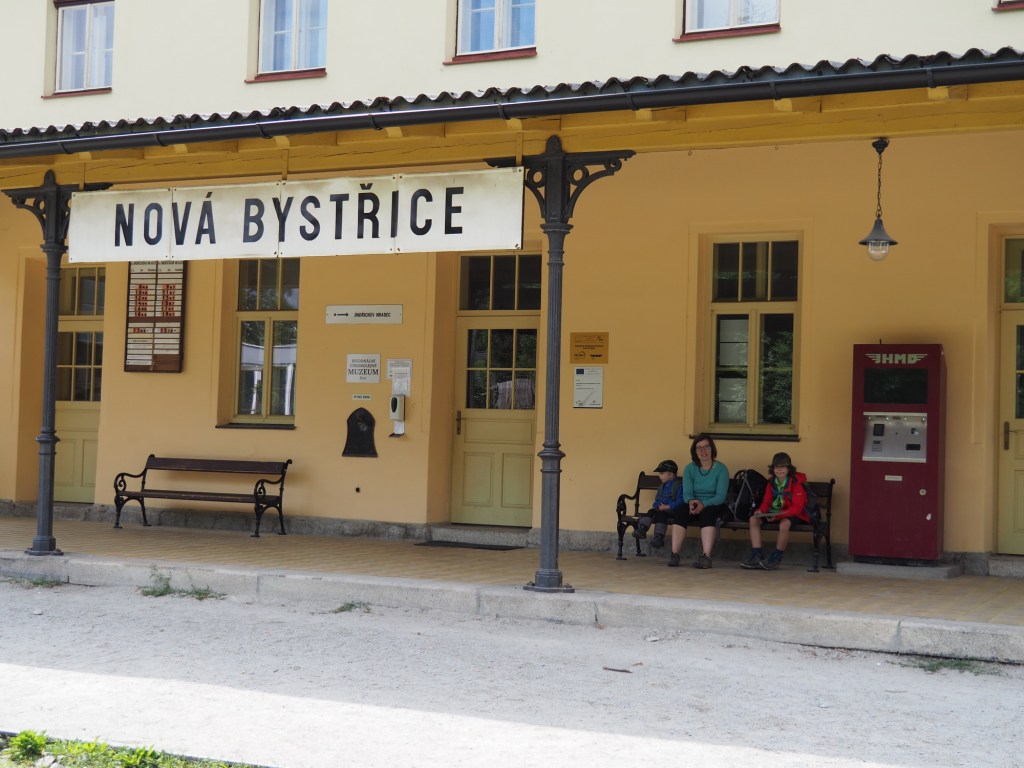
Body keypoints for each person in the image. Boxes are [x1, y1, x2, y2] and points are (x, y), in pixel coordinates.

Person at [740, 451, 809, 570]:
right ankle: (757, 555)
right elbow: (767, 501)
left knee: (784, 524)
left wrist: (777, 516)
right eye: (777, 467)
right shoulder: (771, 481)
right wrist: (761, 511)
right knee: (753, 519)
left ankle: (776, 557)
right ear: (773, 468)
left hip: (794, 513)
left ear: (789, 468)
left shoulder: (796, 482)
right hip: (775, 512)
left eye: (783, 467)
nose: (779, 470)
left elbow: (797, 508)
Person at [669, 434, 729, 569]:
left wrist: (704, 504)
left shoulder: (721, 469)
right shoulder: (690, 468)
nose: (703, 450)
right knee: (681, 511)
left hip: (713, 504)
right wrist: (691, 502)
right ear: (694, 451)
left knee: (708, 513)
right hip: (694, 503)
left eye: (706, 447)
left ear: (712, 448)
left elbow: (720, 496)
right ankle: (674, 554)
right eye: (699, 448)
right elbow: (687, 493)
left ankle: (706, 557)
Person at [633, 459, 685, 549]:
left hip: (673, 510)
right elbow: (657, 499)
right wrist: (658, 505)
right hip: (661, 508)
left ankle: (658, 537)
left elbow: (681, 501)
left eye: (662, 473)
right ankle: (642, 528)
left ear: (670, 474)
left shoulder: (679, 485)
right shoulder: (662, 486)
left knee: (661, 514)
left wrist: (668, 506)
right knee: (651, 511)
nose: (659, 476)